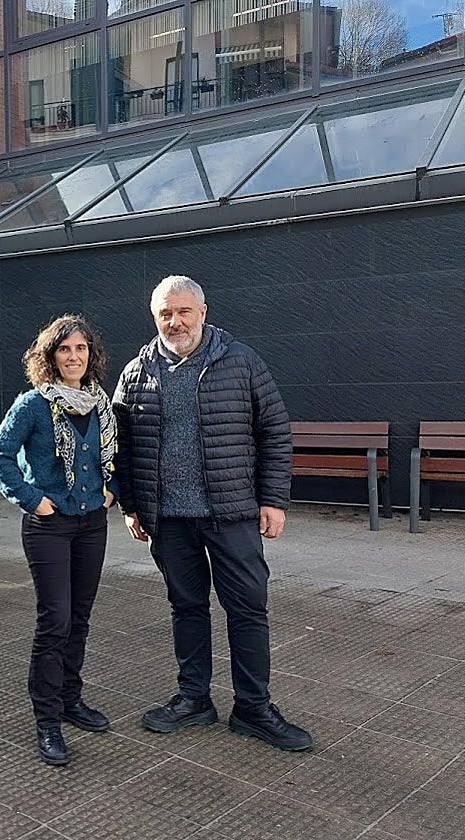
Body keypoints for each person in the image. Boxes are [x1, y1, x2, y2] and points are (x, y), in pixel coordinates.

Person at [112, 275, 312, 751]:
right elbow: (120, 445)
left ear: (203, 312)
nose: (175, 322)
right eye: (165, 313)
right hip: (168, 519)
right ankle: (193, 699)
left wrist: (273, 500)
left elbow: (275, 431)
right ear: (154, 316)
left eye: (184, 311)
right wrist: (131, 504)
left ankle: (254, 708)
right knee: (186, 607)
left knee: (247, 609)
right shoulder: (136, 373)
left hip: (232, 512)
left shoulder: (240, 361)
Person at [0, 314, 119, 766]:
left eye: (81, 348)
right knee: (55, 620)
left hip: (92, 525)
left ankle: (69, 699)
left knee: (79, 618)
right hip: (49, 526)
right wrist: (32, 500)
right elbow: (0, 457)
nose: (74, 356)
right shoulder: (33, 404)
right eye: (65, 349)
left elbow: (115, 457)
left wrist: (111, 491)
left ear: (91, 355)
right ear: (50, 357)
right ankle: (47, 720)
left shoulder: (101, 404)